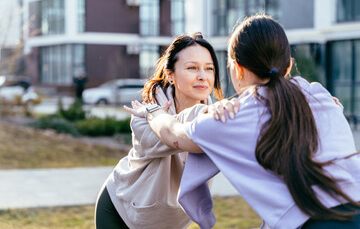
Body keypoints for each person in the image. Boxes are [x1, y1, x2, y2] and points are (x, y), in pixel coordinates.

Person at [126, 14, 360, 229]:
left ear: (236, 69)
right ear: (288, 66)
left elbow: (173, 135)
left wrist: (152, 112)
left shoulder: (232, 119)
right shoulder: (319, 95)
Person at [94, 32, 224, 229]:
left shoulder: (215, 115)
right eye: (192, 68)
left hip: (167, 222)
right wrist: (214, 113)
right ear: (170, 75)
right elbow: (177, 133)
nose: (202, 76)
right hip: (121, 211)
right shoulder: (144, 116)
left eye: (209, 69)